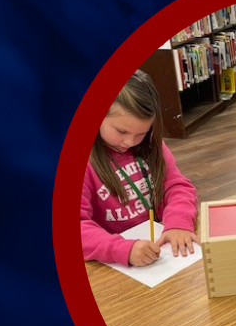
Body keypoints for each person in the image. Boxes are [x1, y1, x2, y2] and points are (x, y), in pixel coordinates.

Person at [81, 70, 198, 267]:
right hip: (108, 264)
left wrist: (178, 221)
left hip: (157, 250)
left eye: (141, 133)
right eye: (121, 131)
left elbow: (176, 186)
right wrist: (120, 249)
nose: (129, 142)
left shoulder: (151, 145)